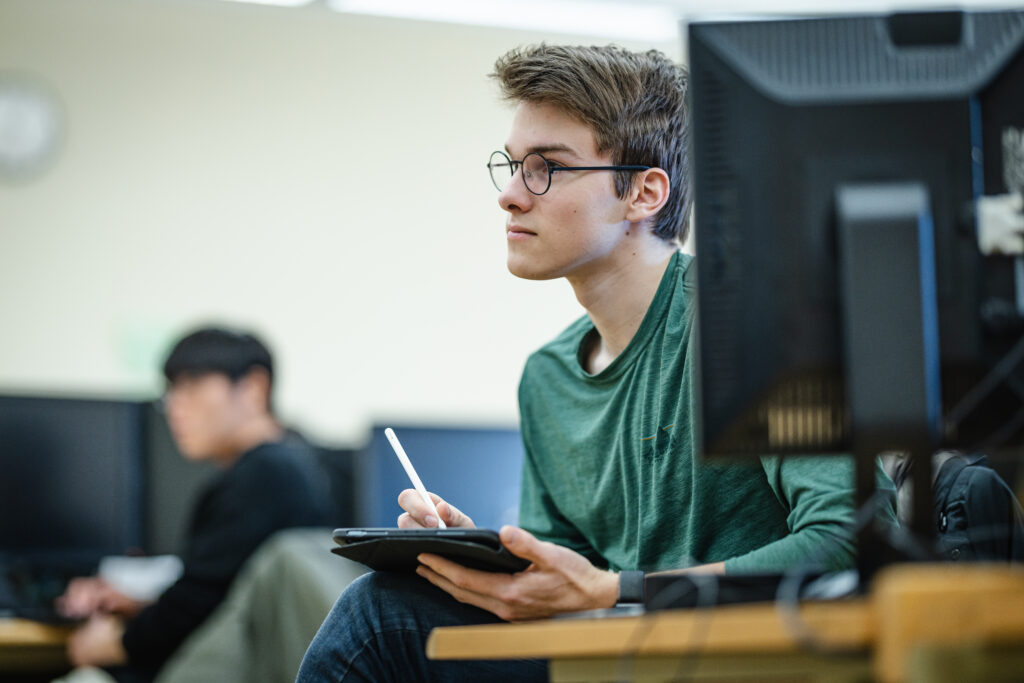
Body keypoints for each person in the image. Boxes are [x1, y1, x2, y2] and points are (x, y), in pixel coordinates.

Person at [296, 44, 897, 682]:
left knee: (375, 620)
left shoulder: (760, 326)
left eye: (547, 168)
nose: (509, 197)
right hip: (616, 658)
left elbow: (851, 538)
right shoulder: (548, 376)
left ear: (643, 192)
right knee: (387, 609)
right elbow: (568, 583)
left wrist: (614, 589)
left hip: (747, 658)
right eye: (511, 166)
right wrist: (500, 563)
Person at [58, 327, 335, 683]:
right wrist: (139, 605)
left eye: (191, 386)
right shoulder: (300, 463)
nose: (174, 406)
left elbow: (196, 605)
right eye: (171, 391)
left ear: (254, 387)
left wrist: (118, 642)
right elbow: (224, 596)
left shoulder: (264, 474)